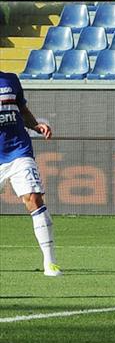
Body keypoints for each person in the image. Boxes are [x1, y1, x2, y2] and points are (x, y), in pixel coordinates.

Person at [0, 71, 60, 276]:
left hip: (18, 151)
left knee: (34, 199)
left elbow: (22, 109)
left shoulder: (11, 80)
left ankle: (50, 263)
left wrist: (35, 124)